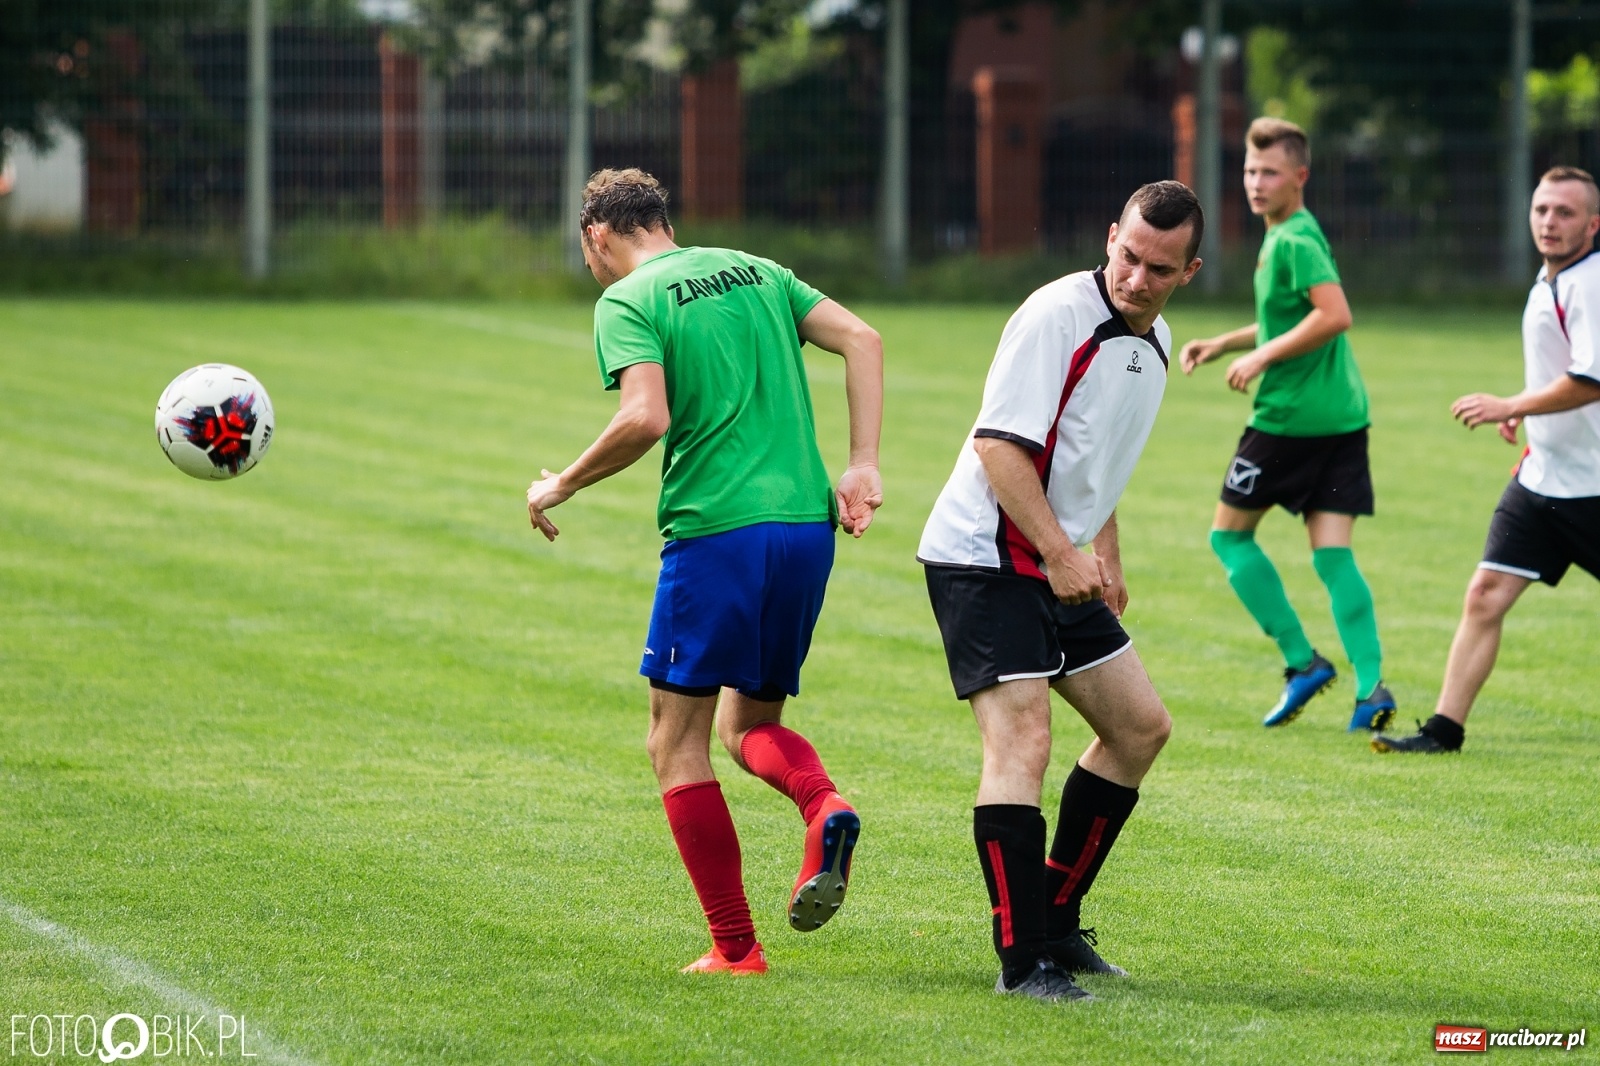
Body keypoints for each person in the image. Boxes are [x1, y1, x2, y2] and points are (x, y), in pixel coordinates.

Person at [525, 168, 885, 973]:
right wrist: (861, 463)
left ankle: (735, 949)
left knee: (672, 739)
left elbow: (644, 415)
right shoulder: (757, 270)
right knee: (748, 725)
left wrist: (561, 483)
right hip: (804, 528)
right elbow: (864, 338)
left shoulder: (626, 300)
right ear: (663, 221)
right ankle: (824, 805)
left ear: (597, 236)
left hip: (718, 535)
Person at [918, 181, 1201, 1003]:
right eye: (1128, 256)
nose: (1137, 279)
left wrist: (1103, 551)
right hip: (989, 555)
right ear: (1110, 236)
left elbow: (1096, 461)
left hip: (1058, 558)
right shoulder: (1055, 317)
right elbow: (999, 450)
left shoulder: (1154, 341)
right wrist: (1058, 549)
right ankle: (1022, 960)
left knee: (1139, 728)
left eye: (1159, 268)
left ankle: (1057, 918)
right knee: (1022, 745)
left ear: (1188, 271)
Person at [1178, 117, 1395, 732]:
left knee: (1229, 538)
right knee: (1332, 556)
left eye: (1269, 172)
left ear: (1299, 176)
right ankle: (1370, 687)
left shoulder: (1292, 239)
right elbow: (1292, 316)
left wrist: (1262, 356)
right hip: (1343, 420)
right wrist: (1227, 341)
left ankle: (1302, 662)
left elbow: (1334, 315)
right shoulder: (1295, 231)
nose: (1255, 182)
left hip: (1288, 423)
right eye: (1249, 170)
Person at [1373, 167, 1600, 754]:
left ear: (1592, 224)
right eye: (1542, 209)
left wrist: (1512, 402)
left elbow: (1591, 379)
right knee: (1485, 595)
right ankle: (1443, 732)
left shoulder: (1591, 282)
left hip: (1594, 488)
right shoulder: (1550, 278)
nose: (1549, 222)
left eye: (1565, 213)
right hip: (1544, 481)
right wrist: (1525, 413)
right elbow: (1563, 375)